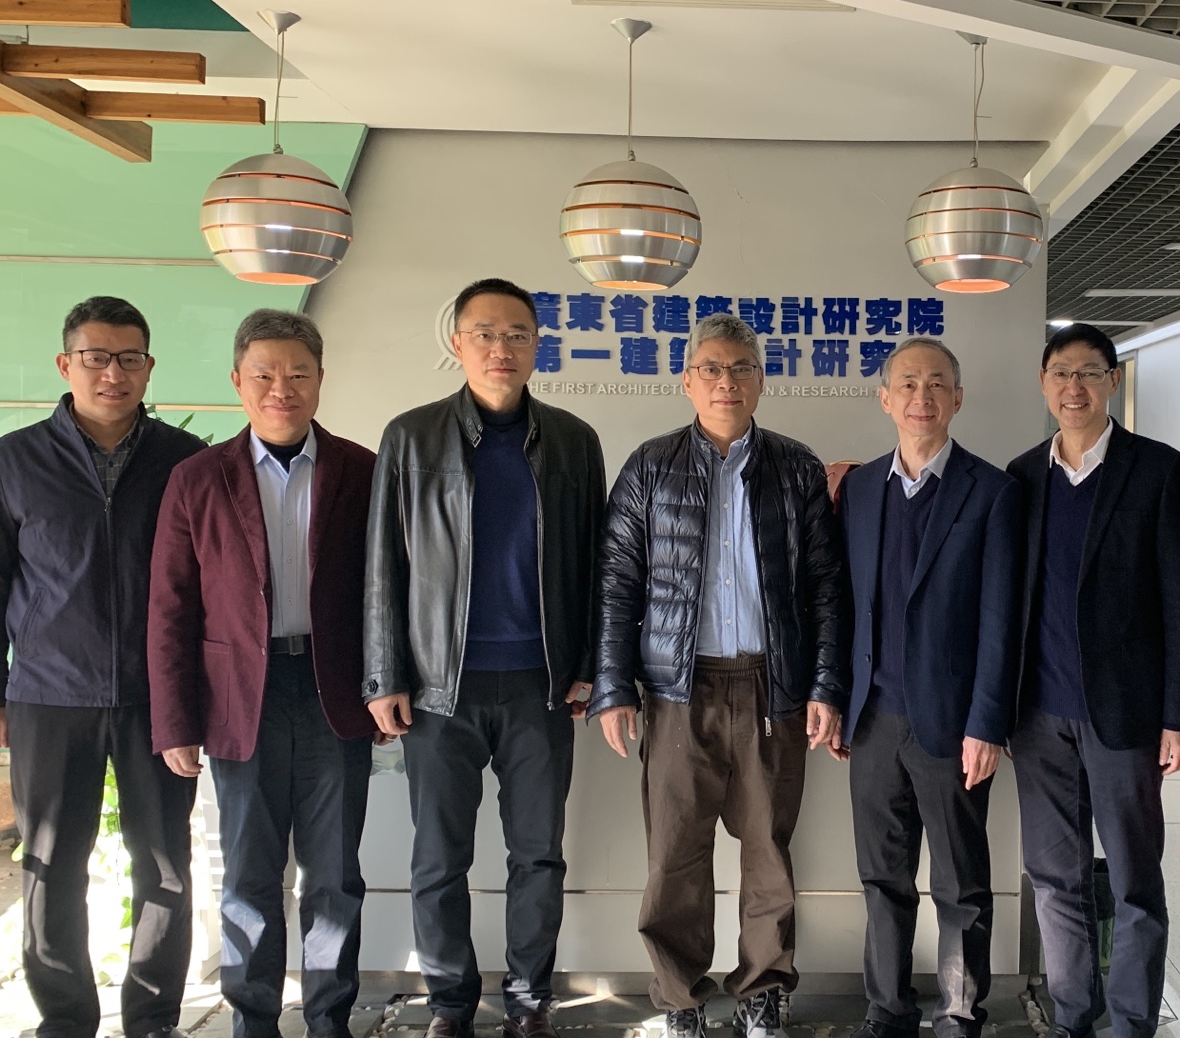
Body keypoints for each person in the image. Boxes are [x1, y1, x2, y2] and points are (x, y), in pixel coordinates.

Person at [592, 313, 849, 1038]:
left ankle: (764, 988)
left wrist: (824, 685)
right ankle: (679, 997)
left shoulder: (796, 468)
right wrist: (612, 686)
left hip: (772, 687)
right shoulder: (650, 466)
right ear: (687, 380)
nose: (725, 382)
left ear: (760, 381)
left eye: (740, 368)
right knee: (675, 852)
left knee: (768, 848)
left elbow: (827, 587)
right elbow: (617, 584)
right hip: (678, 689)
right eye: (711, 368)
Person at [364, 278, 606, 1038]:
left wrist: (591, 665)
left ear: (537, 345)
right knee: (439, 860)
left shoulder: (574, 440)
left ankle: (530, 1000)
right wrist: (385, 674)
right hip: (442, 689)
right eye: (485, 334)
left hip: (541, 684)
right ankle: (450, 1003)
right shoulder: (411, 437)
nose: (502, 349)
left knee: (538, 855)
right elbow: (382, 564)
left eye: (517, 335)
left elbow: (596, 565)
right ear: (457, 344)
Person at [0, 296, 206, 1038]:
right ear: (65, 365)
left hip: (157, 695)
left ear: (149, 367)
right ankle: (65, 1021)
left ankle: (153, 1019)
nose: (112, 373)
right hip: (48, 692)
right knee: (49, 863)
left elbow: (207, 584)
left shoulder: (185, 461)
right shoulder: (10, 461)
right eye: (96, 358)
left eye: (129, 358)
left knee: (164, 865)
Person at [147, 309, 378, 1038]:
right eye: (265, 374)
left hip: (333, 693)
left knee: (334, 873)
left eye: (298, 373)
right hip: (239, 699)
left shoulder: (361, 470)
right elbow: (170, 606)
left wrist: (385, 687)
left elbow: (388, 592)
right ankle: (252, 1020)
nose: (283, 388)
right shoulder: (197, 478)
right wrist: (175, 721)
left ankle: (330, 1019)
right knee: (249, 872)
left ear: (320, 379)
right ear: (237, 382)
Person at [1005, 323, 1180, 1038]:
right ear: (1044, 383)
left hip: (1126, 714)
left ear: (1113, 382)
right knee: (1055, 879)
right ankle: (1071, 1017)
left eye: (1089, 372)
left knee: (1133, 881)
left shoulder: (1159, 470)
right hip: (1038, 716)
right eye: (1062, 372)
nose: (1074, 387)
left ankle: (1131, 1023)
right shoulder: (1022, 476)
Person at [836, 338, 1022, 1038]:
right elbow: (844, 604)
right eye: (908, 384)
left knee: (960, 884)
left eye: (937, 383)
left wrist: (988, 722)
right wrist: (838, 700)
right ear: (885, 398)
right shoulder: (858, 490)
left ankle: (959, 1014)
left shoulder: (992, 491)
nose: (923, 396)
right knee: (882, 879)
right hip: (872, 720)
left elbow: (1001, 620)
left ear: (958, 398)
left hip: (954, 723)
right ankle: (887, 1011)